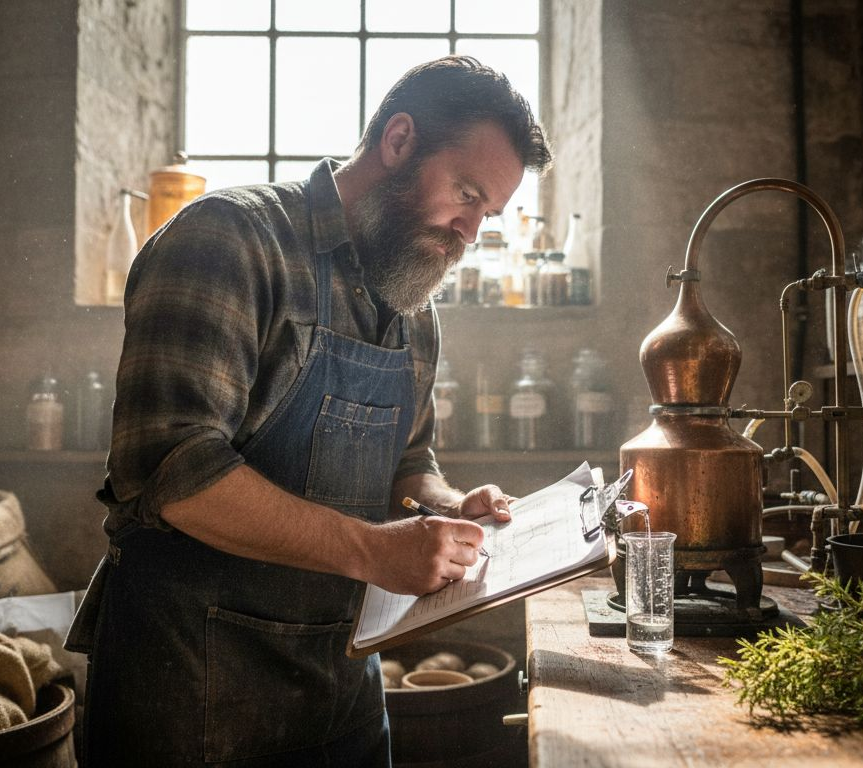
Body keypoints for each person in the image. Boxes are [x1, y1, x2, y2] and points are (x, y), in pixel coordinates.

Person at [65, 56, 553, 767]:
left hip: (342, 699)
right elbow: (175, 473)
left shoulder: (412, 309)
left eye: (488, 214)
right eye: (466, 194)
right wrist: (376, 550)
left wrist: (451, 511)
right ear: (399, 141)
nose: (470, 231)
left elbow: (410, 466)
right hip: (189, 698)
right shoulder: (228, 241)